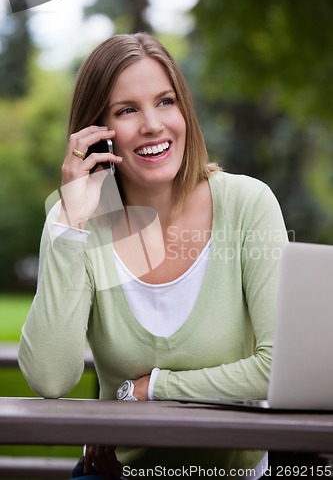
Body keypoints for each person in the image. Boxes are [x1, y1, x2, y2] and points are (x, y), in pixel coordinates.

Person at [18, 32, 288, 480]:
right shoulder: (75, 221)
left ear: (185, 110)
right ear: (96, 132)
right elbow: (50, 379)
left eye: (165, 101)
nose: (152, 125)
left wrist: (148, 391)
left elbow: (277, 367)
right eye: (127, 110)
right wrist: (70, 224)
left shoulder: (247, 203)